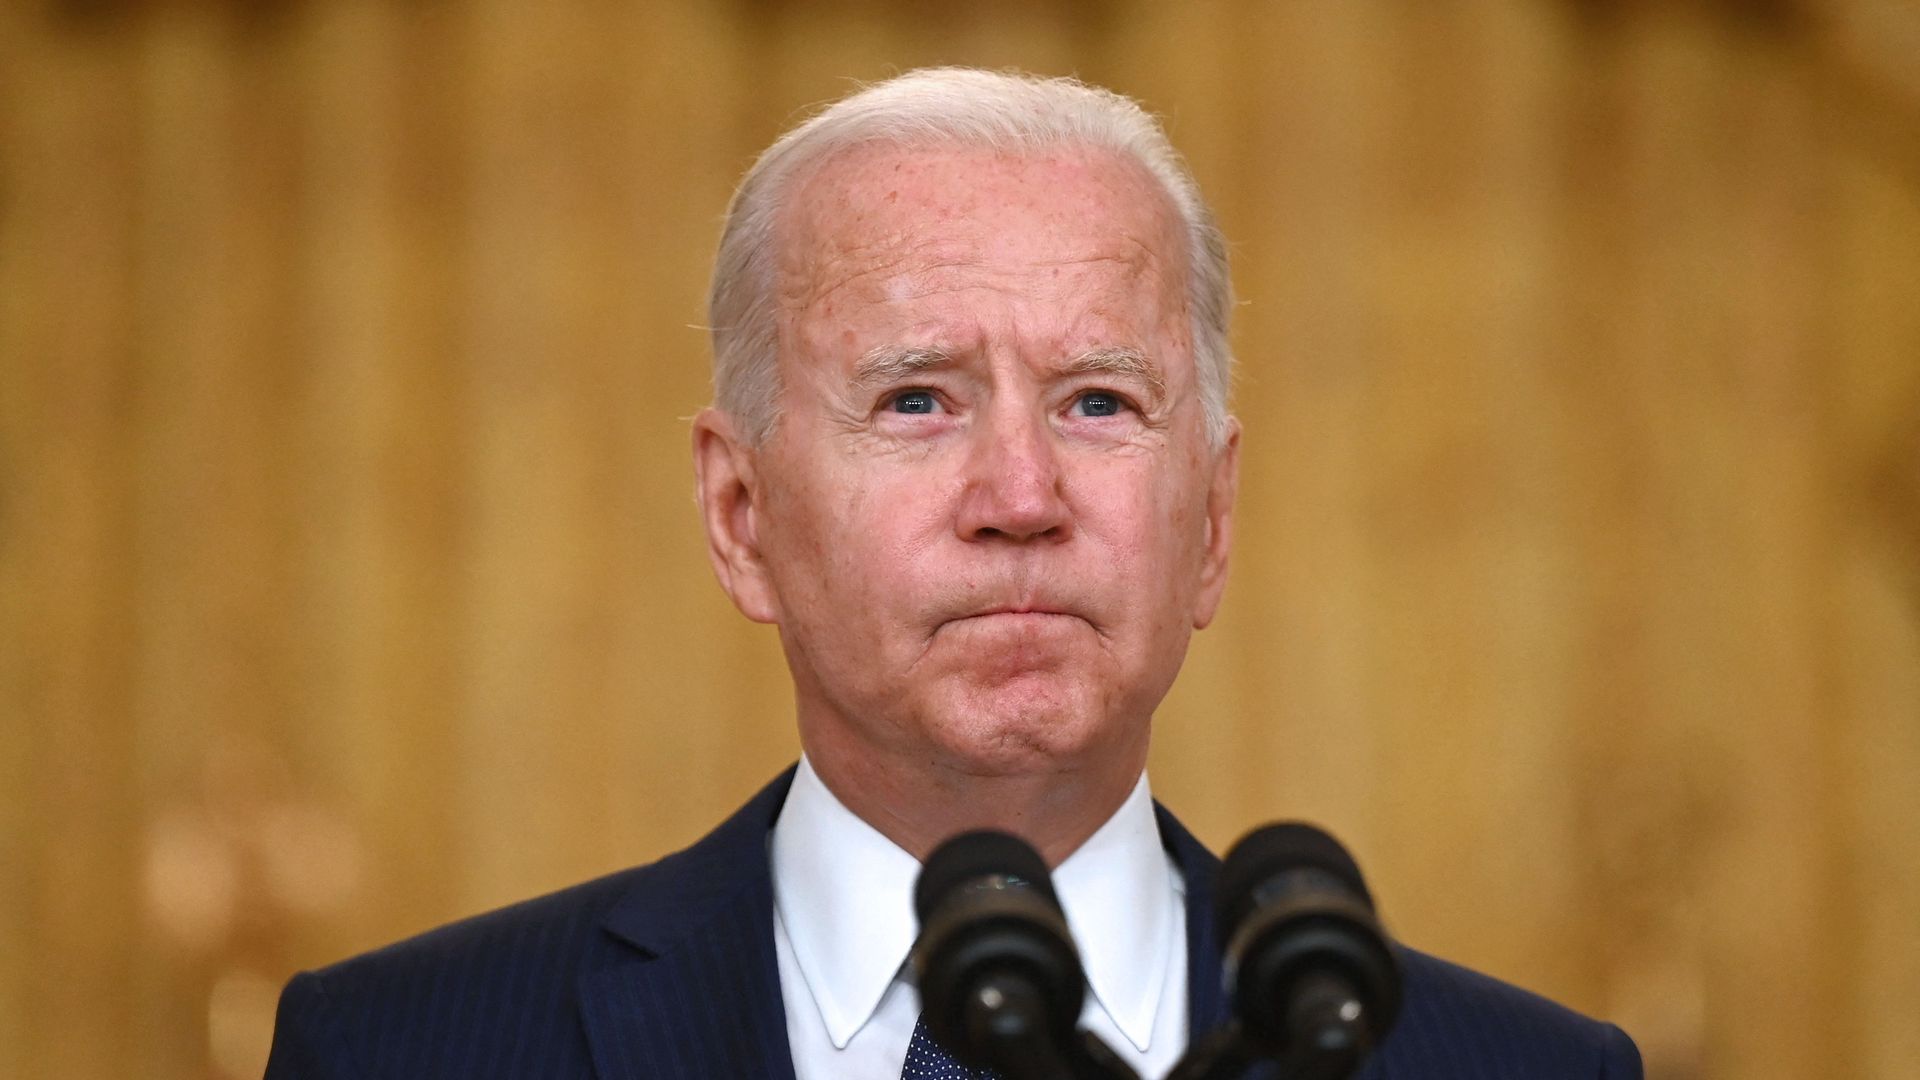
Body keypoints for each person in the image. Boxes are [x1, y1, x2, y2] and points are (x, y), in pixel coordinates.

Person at [264, 68, 1642, 1079]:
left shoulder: (1524, 1072)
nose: (1022, 498)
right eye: (918, 400)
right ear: (741, 515)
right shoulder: (398, 1049)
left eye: (1099, 402)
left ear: (1211, 519)